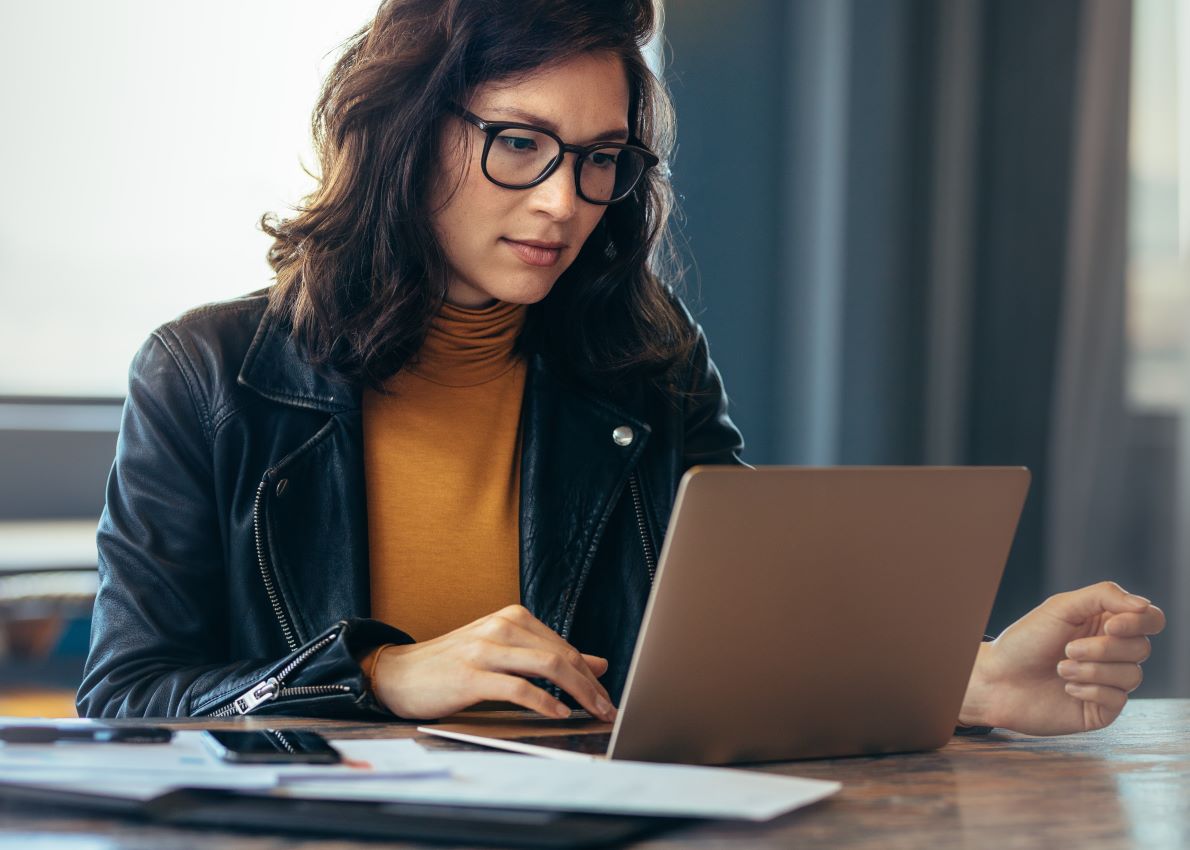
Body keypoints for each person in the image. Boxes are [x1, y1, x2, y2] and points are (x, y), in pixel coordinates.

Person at [77, 0, 1164, 737]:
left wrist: (966, 678)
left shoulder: (643, 356)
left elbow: (742, 638)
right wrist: (374, 677)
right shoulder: (208, 375)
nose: (562, 200)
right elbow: (125, 697)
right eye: (518, 143)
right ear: (402, 131)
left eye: (600, 158)